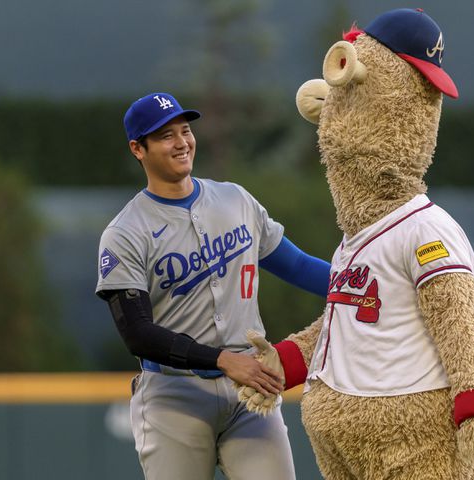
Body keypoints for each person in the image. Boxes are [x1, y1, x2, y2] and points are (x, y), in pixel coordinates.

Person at [95, 92, 330, 480]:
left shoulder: (235, 199)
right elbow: (137, 334)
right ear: (138, 148)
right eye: (166, 135)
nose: (182, 142)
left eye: (185, 130)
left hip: (249, 392)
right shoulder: (125, 232)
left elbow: (298, 266)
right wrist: (222, 360)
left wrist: (361, 285)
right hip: (173, 394)